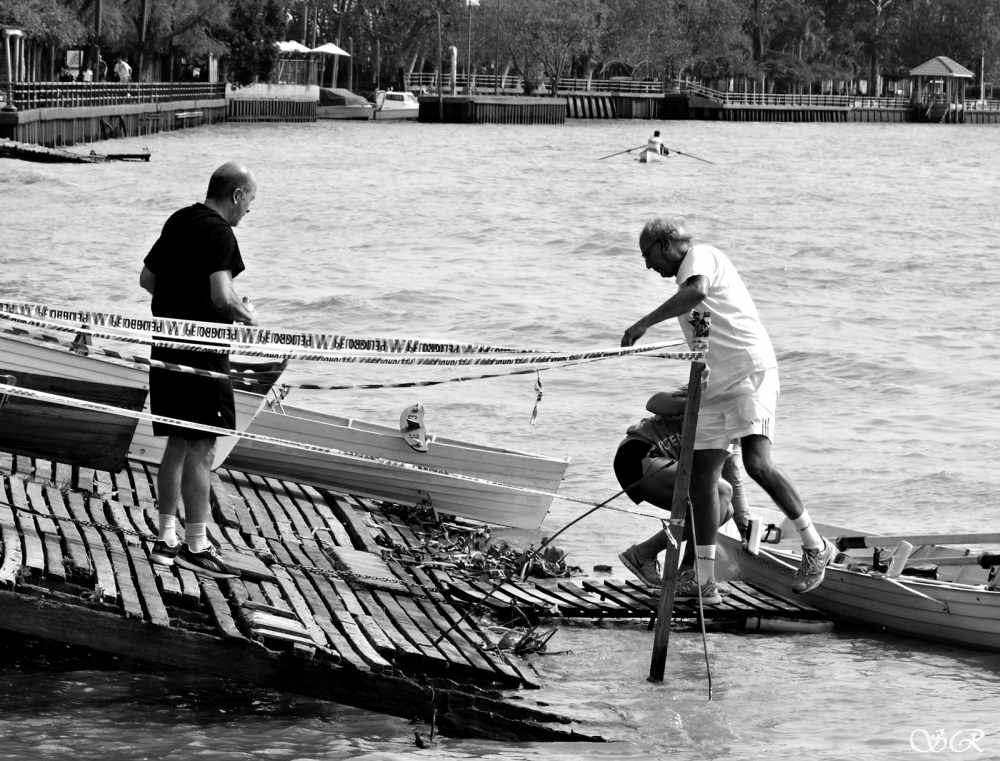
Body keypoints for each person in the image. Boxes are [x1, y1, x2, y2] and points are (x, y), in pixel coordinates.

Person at [621, 217, 834, 598]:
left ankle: (816, 547)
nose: (649, 266)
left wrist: (644, 324)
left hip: (748, 372)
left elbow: (698, 292)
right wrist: (694, 384)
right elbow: (702, 339)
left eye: (648, 255)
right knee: (703, 478)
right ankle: (703, 581)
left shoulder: (700, 257)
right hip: (714, 384)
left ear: (667, 243)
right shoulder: (684, 281)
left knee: (756, 463)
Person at [139, 162, 259, 579]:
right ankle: (196, 544)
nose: (248, 213)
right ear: (238, 194)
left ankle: (165, 539)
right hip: (203, 354)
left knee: (176, 443)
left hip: (165, 346)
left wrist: (182, 306)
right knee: (203, 448)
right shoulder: (220, 233)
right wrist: (247, 316)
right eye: (250, 202)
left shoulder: (179, 220)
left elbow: (147, 279)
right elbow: (222, 296)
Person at [615, 391, 752, 604]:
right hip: (639, 454)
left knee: (724, 508)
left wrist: (745, 530)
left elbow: (734, 480)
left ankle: (688, 574)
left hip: (662, 467)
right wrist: (697, 403)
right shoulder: (708, 389)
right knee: (718, 493)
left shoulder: (730, 433)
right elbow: (653, 403)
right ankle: (644, 553)